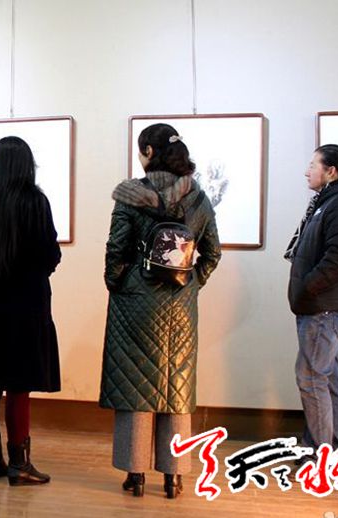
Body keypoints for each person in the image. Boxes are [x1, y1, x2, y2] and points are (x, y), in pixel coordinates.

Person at [99, 123, 221, 499]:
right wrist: (192, 283)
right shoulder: (198, 197)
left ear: (149, 153)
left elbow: (116, 248)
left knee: (134, 387)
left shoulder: (132, 194)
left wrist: (117, 282)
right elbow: (212, 252)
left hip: (135, 302)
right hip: (180, 303)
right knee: (175, 385)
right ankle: (174, 477)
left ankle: (135, 474)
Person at [0, 136, 61, 486]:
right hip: (26, 304)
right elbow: (49, 254)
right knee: (19, 385)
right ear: (26, 164)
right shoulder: (34, 201)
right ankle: (19, 464)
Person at [285, 144, 338, 467]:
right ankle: (335, 451)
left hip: (324, 307)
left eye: (313, 165)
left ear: (331, 170)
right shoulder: (331, 199)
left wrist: (309, 287)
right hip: (322, 305)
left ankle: (322, 457)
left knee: (311, 377)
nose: (307, 171)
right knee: (326, 376)